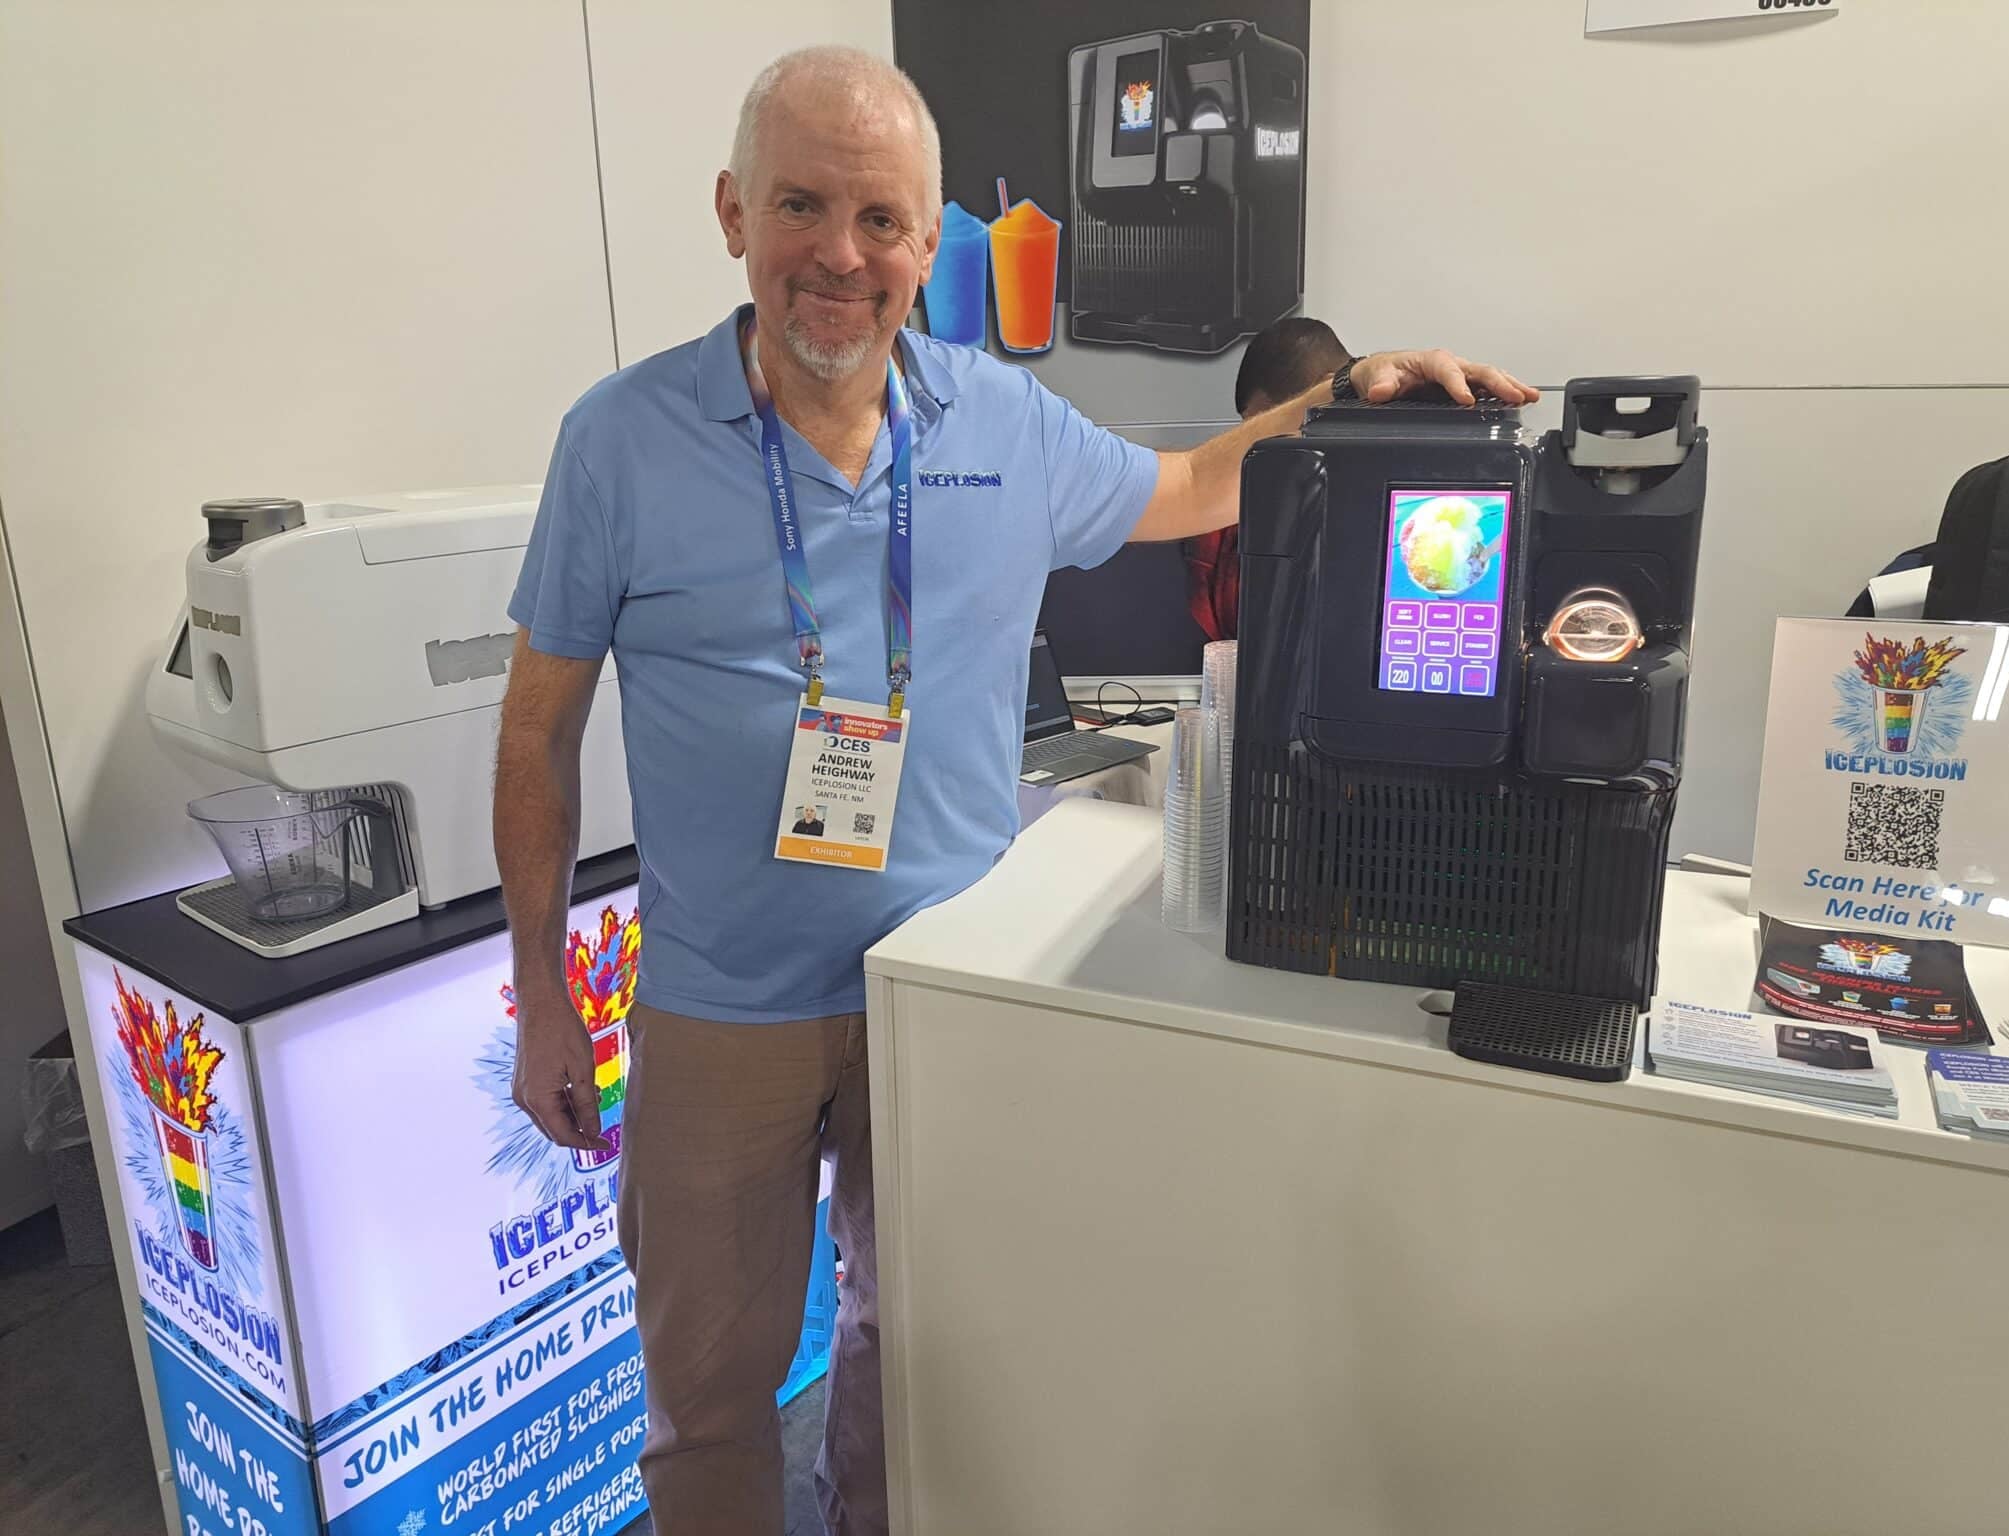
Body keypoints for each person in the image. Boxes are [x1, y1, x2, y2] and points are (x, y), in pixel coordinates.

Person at [494, 45, 1534, 1536]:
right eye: (800, 206)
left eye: (882, 220)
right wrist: (542, 992)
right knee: (707, 1398)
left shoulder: (1003, 422)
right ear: (731, 212)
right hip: (723, 1008)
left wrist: (1345, 400)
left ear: (931, 245)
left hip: (946, 987)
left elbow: (1189, 487)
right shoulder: (619, 440)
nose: (840, 256)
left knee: (908, 1355)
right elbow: (536, 733)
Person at [1185, 316, 1355, 644]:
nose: (1263, 450)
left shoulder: (1406, 487)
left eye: (1276, 428)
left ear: (1327, 390)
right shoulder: (1244, 504)